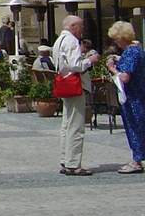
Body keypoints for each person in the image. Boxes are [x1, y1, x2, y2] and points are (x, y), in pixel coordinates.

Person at [54, 15, 99, 176]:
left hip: (63, 82)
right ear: (73, 26)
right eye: (80, 27)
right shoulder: (71, 41)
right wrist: (90, 61)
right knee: (76, 125)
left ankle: (66, 159)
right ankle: (73, 163)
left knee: (67, 123)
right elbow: (76, 65)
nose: (82, 31)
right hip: (74, 84)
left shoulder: (59, 40)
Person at [106, 21, 143, 174]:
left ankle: (136, 160)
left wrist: (112, 68)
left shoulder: (130, 52)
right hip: (140, 93)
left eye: (116, 39)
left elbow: (125, 77)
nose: (116, 43)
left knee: (135, 127)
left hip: (133, 97)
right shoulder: (139, 50)